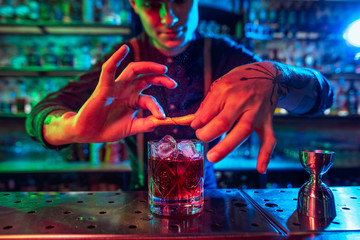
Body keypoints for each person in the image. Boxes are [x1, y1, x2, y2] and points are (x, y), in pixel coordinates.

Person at [26, 0, 334, 190]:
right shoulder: (120, 61)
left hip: (206, 197)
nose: (169, 18)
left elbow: (323, 96)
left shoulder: (225, 55)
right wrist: (71, 128)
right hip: (141, 198)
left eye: (180, 0)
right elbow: (40, 114)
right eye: (150, 4)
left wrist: (277, 75)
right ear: (133, 4)